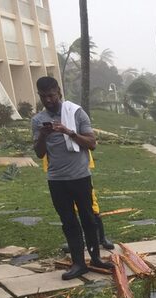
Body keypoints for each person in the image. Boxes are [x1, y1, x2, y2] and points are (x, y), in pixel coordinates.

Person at [32, 76, 113, 280]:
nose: (48, 100)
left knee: (88, 218)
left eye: (51, 95)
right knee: (68, 221)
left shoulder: (75, 112)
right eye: (43, 96)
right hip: (56, 179)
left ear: (58, 91)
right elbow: (39, 153)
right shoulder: (37, 120)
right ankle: (78, 263)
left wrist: (69, 132)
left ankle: (95, 258)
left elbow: (92, 143)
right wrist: (43, 135)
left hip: (80, 176)